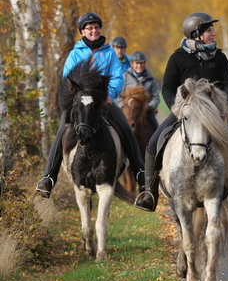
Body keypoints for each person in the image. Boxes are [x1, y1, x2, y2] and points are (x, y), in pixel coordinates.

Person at [134, 12, 228, 216]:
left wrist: (223, 108)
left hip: (215, 115)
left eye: (212, 30)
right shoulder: (177, 58)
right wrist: (178, 108)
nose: (213, 33)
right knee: (154, 143)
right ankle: (150, 193)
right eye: (209, 30)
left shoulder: (220, 57)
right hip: (185, 112)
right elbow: (168, 88)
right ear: (196, 33)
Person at [36, 12, 146, 198]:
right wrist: (77, 98)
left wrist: (109, 95)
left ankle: (141, 176)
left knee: (126, 129)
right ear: (82, 31)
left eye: (96, 27)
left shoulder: (109, 52)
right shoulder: (74, 54)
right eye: (89, 28)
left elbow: (118, 77)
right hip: (81, 103)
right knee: (62, 131)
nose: (94, 30)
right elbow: (67, 79)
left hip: (103, 102)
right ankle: (48, 178)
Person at [115, 50, 160, 134]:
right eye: (137, 63)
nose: (139, 66)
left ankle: (155, 145)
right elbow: (117, 95)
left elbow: (155, 97)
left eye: (141, 63)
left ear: (144, 63)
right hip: (128, 111)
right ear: (132, 64)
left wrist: (149, 106)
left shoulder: (151, 79)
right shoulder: (124, 77)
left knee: (155, 127)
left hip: (145, 112)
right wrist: (124, 106)